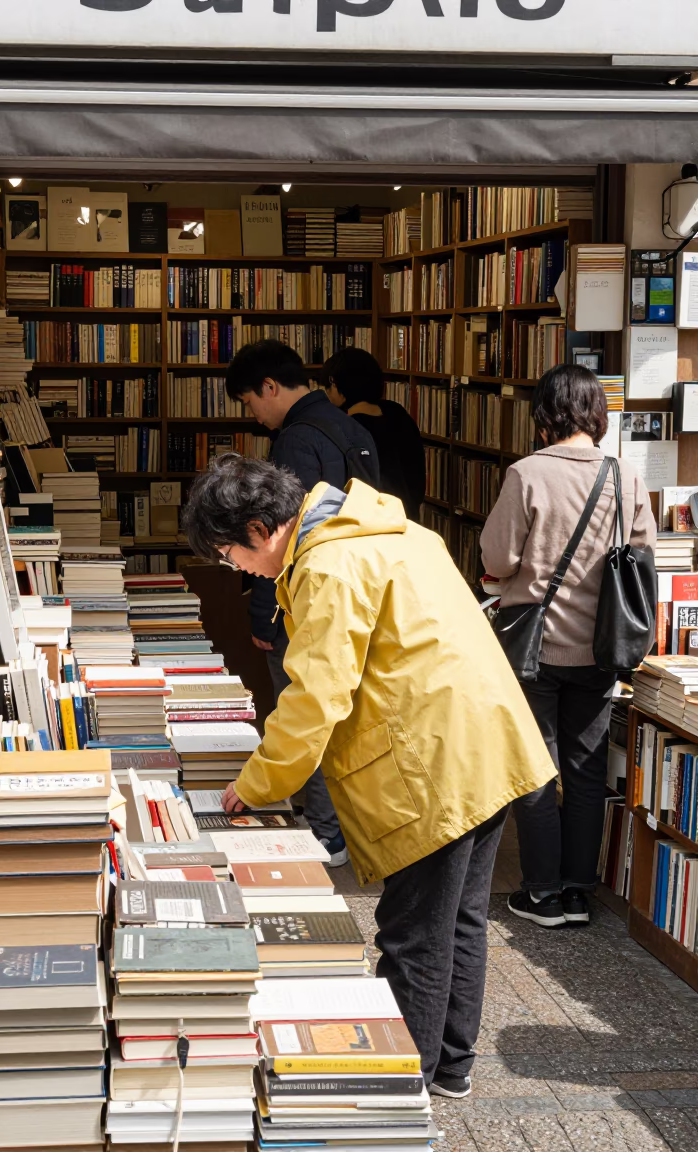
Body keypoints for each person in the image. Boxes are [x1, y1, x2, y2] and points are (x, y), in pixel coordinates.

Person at [182, 455, 555, 1096]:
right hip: (486, 742)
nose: (235, 569)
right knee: (459, 918)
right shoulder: (391, 530)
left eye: (227, 554)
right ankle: (450, 1067)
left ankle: (399, 1090)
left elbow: (315, 697)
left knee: (412, 933)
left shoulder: (329, 564)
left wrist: (256, 784)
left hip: (431, 766)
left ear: (256, 529)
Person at [480, 365, 656, 930]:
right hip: (602, 649)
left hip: (536, 647)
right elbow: (642, 552)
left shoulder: (527, 473)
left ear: (545, 414)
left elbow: (497, 558)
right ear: (597, 414)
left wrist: (513, 580)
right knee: (584, 771)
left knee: (535, 770)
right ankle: (580, 892)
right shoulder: (625, 475)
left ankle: (541, 894)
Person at [225, 339, 380, 867]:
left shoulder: (295, 441)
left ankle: (325, 834)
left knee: (305, 704)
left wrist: (263, 613)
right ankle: (348, 825)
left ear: (269, 387)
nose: (255, 414)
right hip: (358, 594)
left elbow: (278, 540)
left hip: (307, 597)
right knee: (344, 713)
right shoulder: (351, 427)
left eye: (249, 402)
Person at [322, 346, 426, 521]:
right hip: (408, 519)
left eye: (327, 387)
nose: (327, 394)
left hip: (370, 526)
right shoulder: (397, 413)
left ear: (335, 383)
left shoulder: (346, 428)